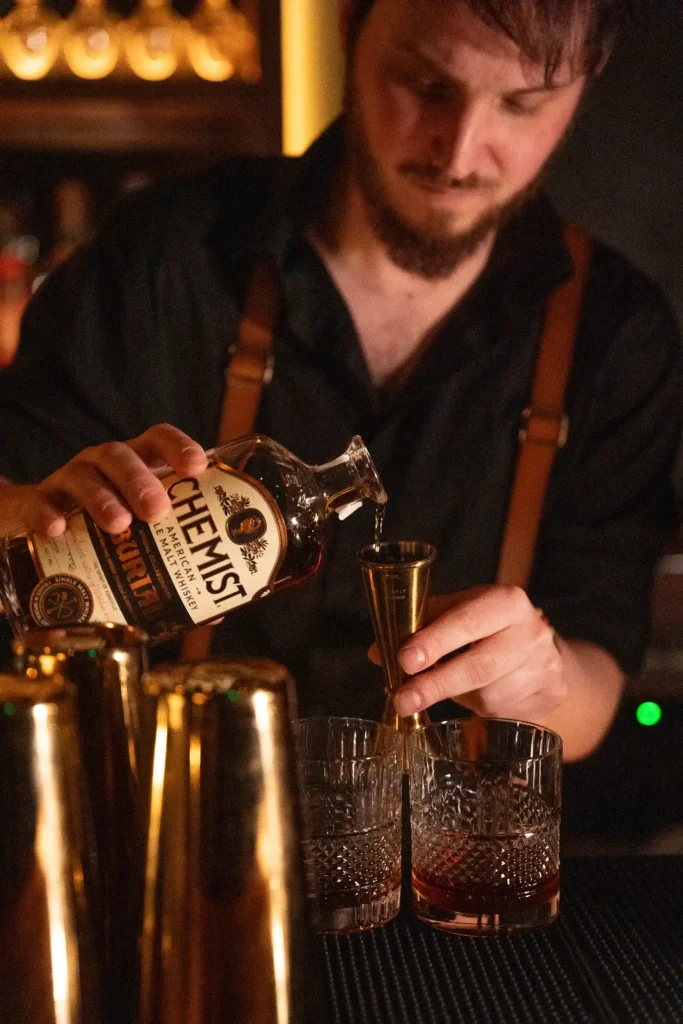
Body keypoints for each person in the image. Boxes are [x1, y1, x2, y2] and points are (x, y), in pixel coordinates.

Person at [0, 0, 679, 762]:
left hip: (445, 827)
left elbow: (592, 685)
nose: (459, 152)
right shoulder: (167, 255)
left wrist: (539, 680)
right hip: (169, 812)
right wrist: (30, 511)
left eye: (522, 104)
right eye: (425, 85)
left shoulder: (613, 333)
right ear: (348, 30)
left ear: (586, 83)